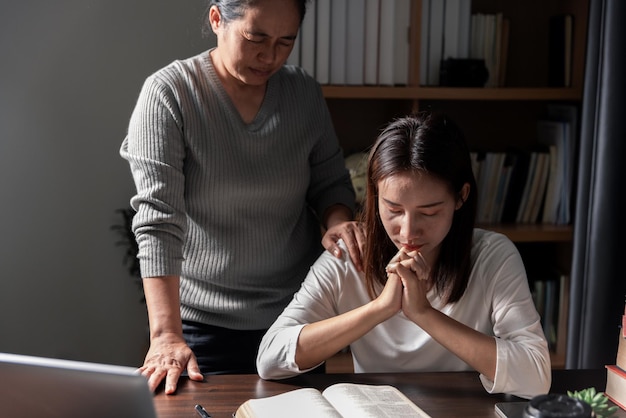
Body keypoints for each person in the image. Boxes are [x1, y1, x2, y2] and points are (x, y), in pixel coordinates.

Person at [120, 0, 365, 395]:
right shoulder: (170, 93)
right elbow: (158, 220)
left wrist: (338, 222)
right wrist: (166, 334)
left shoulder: (302, 93)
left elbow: (330, 183)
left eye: (286, 42)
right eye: (256, 38)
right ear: (217, 19)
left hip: (297, 317)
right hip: (203, 325)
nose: (270, 56)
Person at [257, 113, 552, 399]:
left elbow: (536, 377)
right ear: (374, 196)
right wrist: (381, 308)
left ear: (461, 196)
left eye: (429, 212)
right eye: (394, 210)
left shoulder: (493, 257)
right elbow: (270, 359)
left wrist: (423, 314)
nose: (408, 231)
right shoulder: (351, 252)